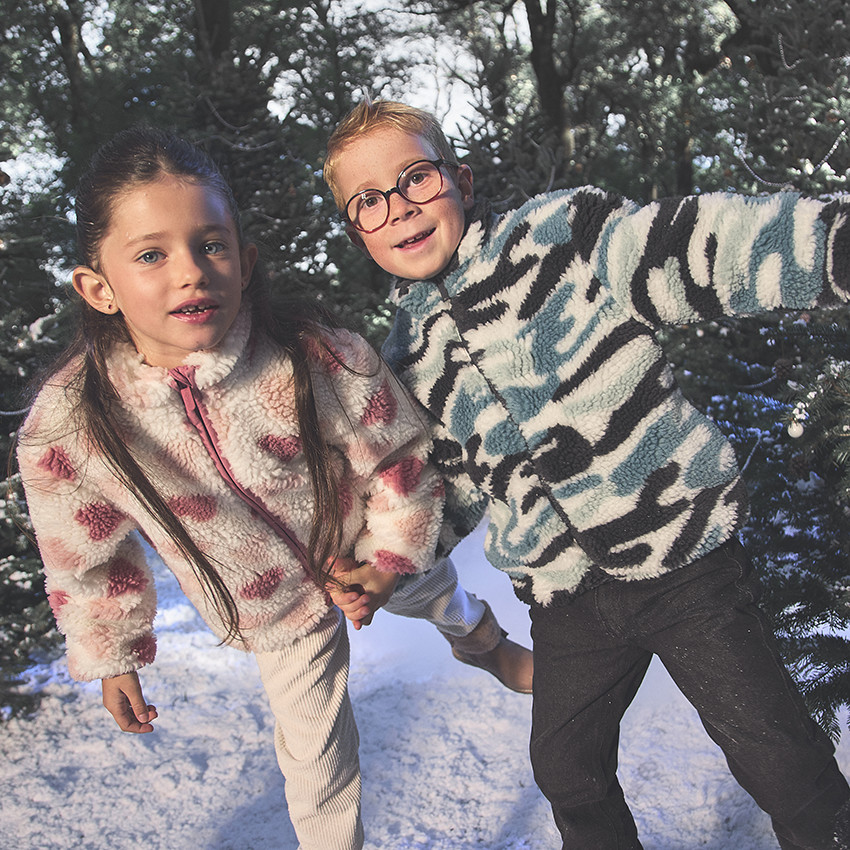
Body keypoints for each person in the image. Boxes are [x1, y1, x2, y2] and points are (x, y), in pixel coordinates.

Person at [322, 99, 850, 850]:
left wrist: (829, 244)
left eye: (415, 178)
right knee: (566, 769)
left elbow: (690, 245)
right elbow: (446, 490)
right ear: (356, 231)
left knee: (775, 753)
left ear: (462, 181)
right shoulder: (408, 356)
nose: (399, 208)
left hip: (681, 561)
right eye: (368, 201)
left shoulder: (559, 241)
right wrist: (384, 565)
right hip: (566, 599)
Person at [14, 126, 531, 850]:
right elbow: (82, 557)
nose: (191, 272)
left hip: (361, 543)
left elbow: (398, 456)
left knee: (439, 590)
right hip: (272, 608)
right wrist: (114, 654)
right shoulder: (75, 424)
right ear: (98, 287)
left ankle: (485, 646)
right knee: (316, 762)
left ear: (245, 261)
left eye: (212, 245)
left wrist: (386, 562)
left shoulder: (312, 356)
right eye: (153, 255)